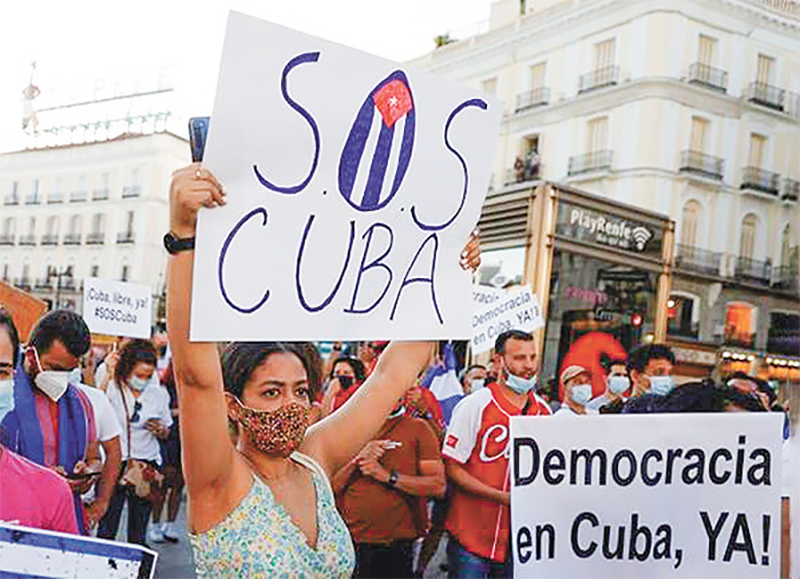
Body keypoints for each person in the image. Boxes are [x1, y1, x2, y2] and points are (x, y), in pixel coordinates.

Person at [166, 163, 481, 577]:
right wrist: (183, 236)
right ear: (234, 405)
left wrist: (451, 275)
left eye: (300, 390)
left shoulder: (315, 458)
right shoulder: (219, 479)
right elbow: (195, 378)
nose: (292, 404)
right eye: (271, 391)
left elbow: (393, 375)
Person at [442, 329, 552, 577]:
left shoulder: (544, 412)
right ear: (500, 360)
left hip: (519, 540)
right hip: (471, 536)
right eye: (519, 358)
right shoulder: (475, 405)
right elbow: (452, 467)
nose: (529, 366)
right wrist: (499, 496)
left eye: (533, 357)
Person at [0, 309, 101, 534]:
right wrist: (42, 480)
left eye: (69, 371)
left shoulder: (80, 403)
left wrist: (86, 474)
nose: (61, 378)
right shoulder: (6, 398)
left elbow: (95, 458)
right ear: (30, 355)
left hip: (61, 517)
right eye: (55, 368)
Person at [332, 399, 446, 578]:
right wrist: (357, 459)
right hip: (351, 542)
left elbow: (437, 486)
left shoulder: (418, 428)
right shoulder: (347, 428)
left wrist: (387, 476)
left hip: (397, 543)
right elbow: (330, 486)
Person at [97, 339, 172, 545]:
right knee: (107, 526)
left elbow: (167, 430)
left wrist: (161, 430)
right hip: (115, 463)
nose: (144, 380)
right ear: (127, 369)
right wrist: (107, 374)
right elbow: (95, 409)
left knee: (138, 531)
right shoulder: (112, 386)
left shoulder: (158, 393)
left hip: (145, 466)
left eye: (148, 376)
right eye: (139, 375)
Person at [148, 360, 184, 543]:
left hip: (187, 441)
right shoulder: (164, 389)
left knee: (178, 485)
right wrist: (180, 411)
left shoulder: (194, 389)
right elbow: (161, 413)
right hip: (168, 441)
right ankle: (155, 525)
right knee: (162, 485)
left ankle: (170, 523)